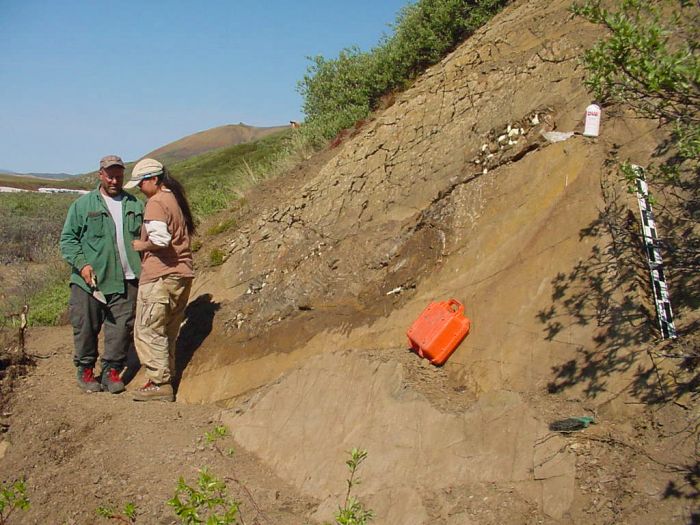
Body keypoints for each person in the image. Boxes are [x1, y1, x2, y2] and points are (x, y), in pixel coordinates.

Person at [60, 155, 143, 394]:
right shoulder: (83, 205)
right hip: (89, 282)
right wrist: (82, 265)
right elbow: (68, 240)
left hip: (127, 279)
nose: (114, 180)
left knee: (120, 328)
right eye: (110, 176)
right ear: (101, 175)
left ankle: (111, 370)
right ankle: (85, 369)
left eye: (118, 176)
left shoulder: (134, 204)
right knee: (86, 326)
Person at [125, 158, 195, 402]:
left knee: (147, 330)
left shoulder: (156, 203)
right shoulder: (173, 199)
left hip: (161, 275)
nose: (139, 189)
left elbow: (161, 239)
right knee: (168, 330)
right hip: (182, 274)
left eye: (141, 184)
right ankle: (167, 376)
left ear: (153, 180)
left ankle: (159, 382)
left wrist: (141, 244)